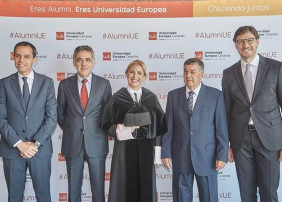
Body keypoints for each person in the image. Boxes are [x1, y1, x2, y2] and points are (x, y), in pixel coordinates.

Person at [222, 25, 282, 202]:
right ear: (236, 45)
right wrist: (227, 144)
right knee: (246, 193)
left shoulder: (275, 68)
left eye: (249, 40)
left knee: (269, 191)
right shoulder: (228, 74)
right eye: (240, 41)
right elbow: (226, 112)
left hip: (270, 139)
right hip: (241, 140)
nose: (245, 44)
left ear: (257, 42)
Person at [161, 58, 229, 202]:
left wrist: (222, 154)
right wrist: (165, 152)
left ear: (201, 73)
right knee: (181, 197)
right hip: (180, 155)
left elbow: (221, 128)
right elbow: (168, 128)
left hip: (208, 157)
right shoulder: (173, 96)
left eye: (192, 71)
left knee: (209, 197)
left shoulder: (215, 95)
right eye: (185, 71)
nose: (188, 75)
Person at [0, 41, 57, 201]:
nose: (21, 60)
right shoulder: (3, 84)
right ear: (13, 57)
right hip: (12, 149)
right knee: (14, 196)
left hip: (40, 150)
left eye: (26, 56)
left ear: (34, 59)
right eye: (17, 56)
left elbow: (52, 117)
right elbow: (1, 118)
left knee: (44, 195)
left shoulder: (47, 83)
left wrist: (35, 144)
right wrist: (19, 144)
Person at [101, 60, 165, 202]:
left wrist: (158, 154)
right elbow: (106, 124)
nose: (135, 76)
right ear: (126, 74)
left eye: (139, 73)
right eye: (131, 72)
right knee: (123, 187)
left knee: (146, 188)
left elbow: (160, 126)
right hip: (124, 149)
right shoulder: (117, 98)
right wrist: (125, 130)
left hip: (147, 149)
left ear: (144, 76)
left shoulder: (151, 98)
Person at [57, 45, 112, 202]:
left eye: (88, 60)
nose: (84, 64)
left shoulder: (104, 84)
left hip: (97, 142)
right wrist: (73, 128)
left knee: (98, 189)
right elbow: (60, 114)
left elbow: (108, 115)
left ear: (93, 62)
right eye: (79, 60)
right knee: (73, 189)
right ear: (74, 62)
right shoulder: (64, 85)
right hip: (73, 142)